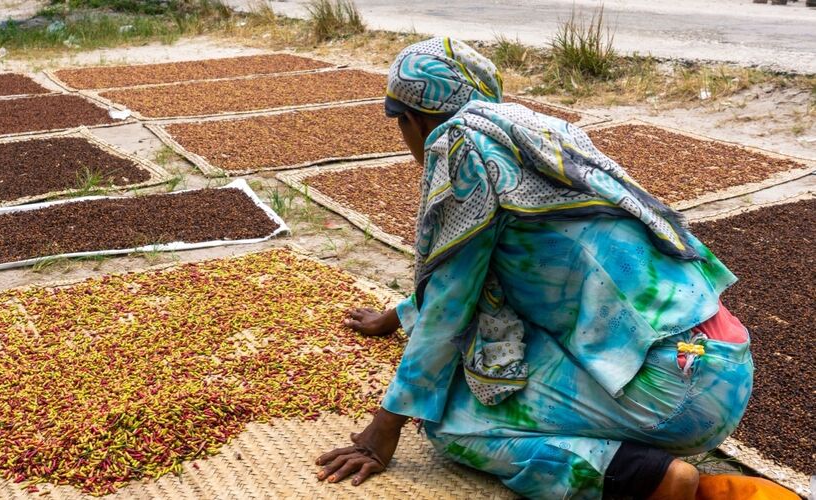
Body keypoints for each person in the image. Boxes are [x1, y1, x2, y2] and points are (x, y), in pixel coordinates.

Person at [315, 38, 754, 499]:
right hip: (720, 360)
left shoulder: (461, 148)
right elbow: (491, 269)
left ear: (413, 118)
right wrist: (400, 315)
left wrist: (384, 428)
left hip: (670, 393)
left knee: (449, 419)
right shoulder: (532, 130)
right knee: (508, 346)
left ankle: (641, 480)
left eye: (400, 123)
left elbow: (450, 303)